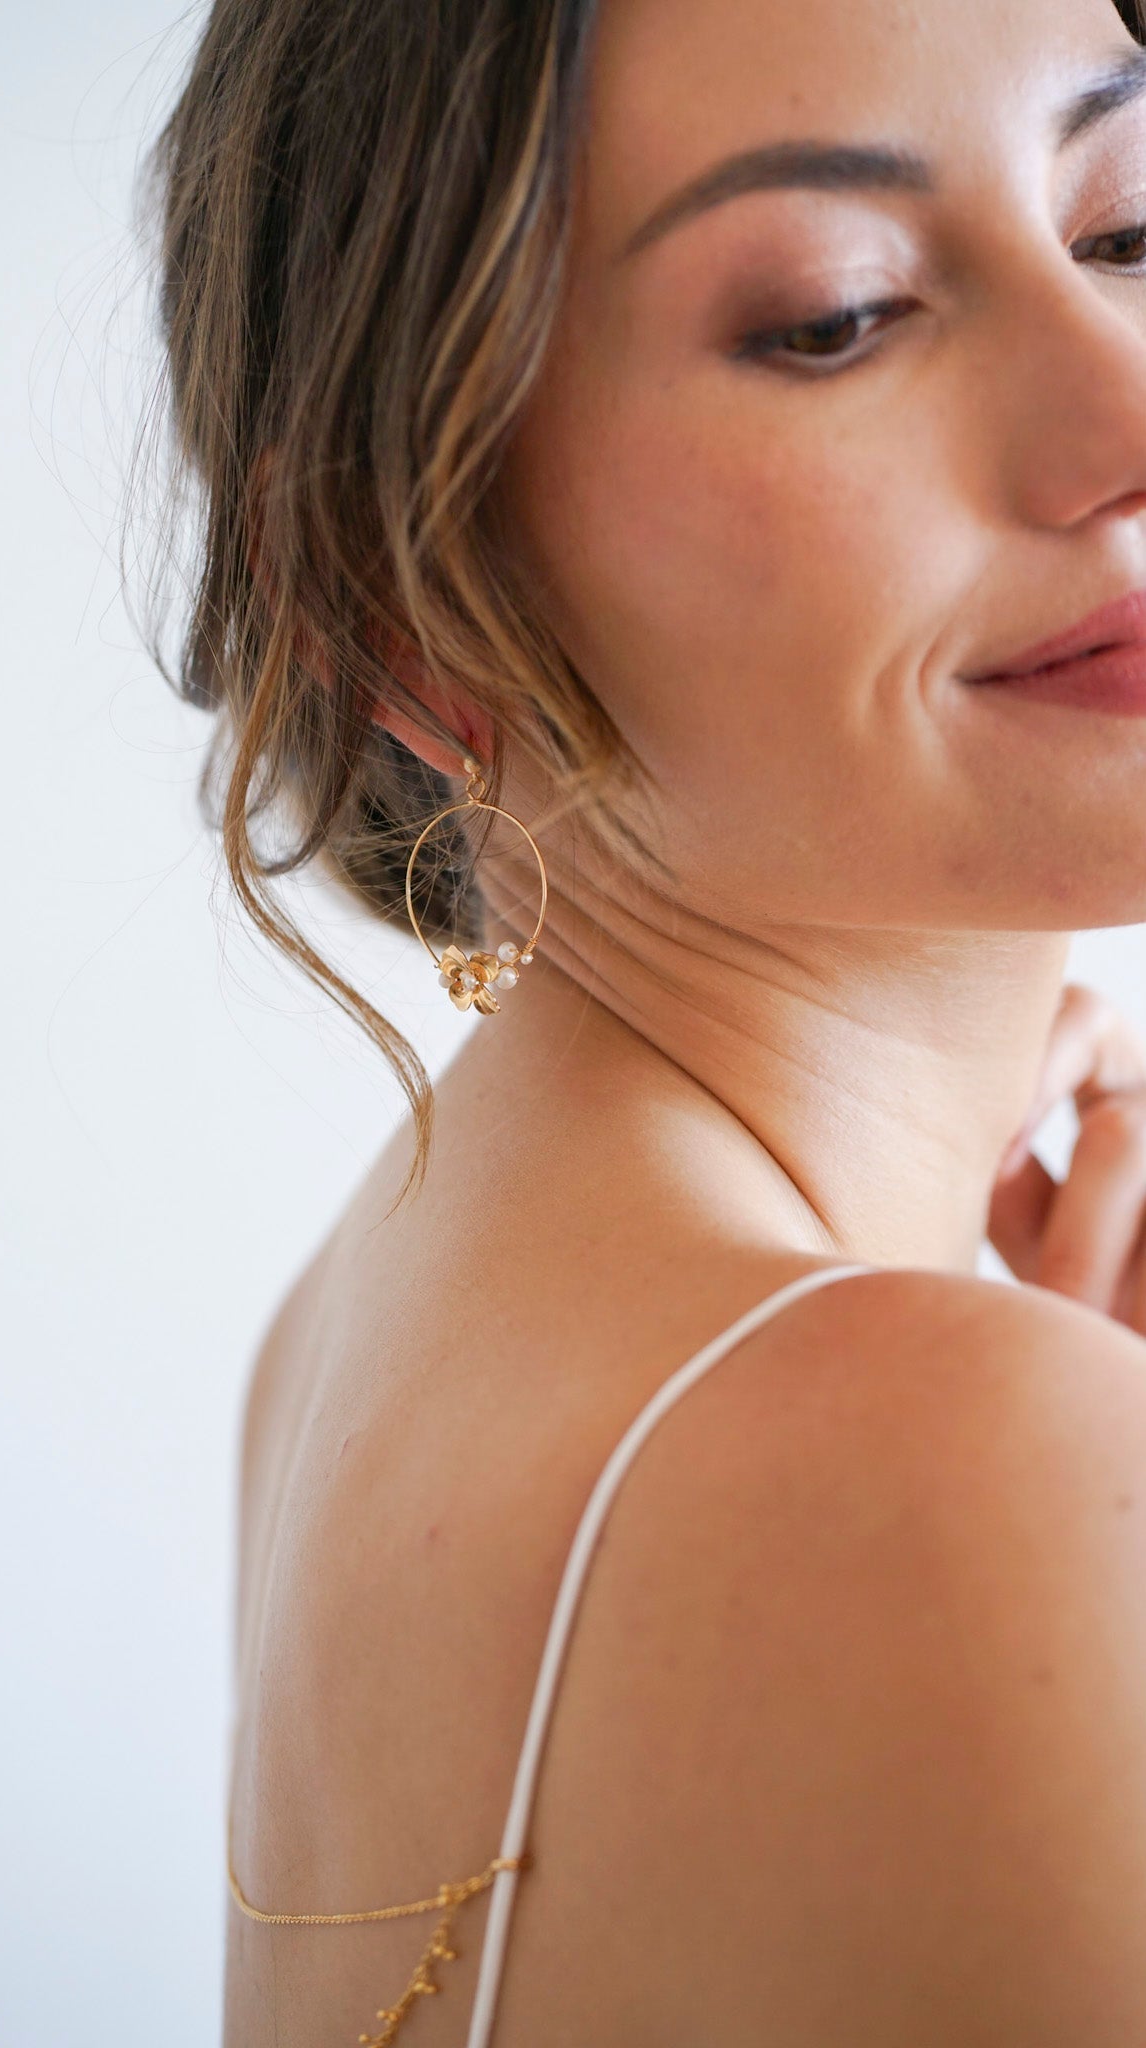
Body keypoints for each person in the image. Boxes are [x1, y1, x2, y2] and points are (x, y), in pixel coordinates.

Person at [137, 0, 1146, 2038]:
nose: (1120, 401)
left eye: (1127, 229)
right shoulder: (967, 1475)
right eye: (833, 318)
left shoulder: (351, 1324)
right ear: (392, 599)